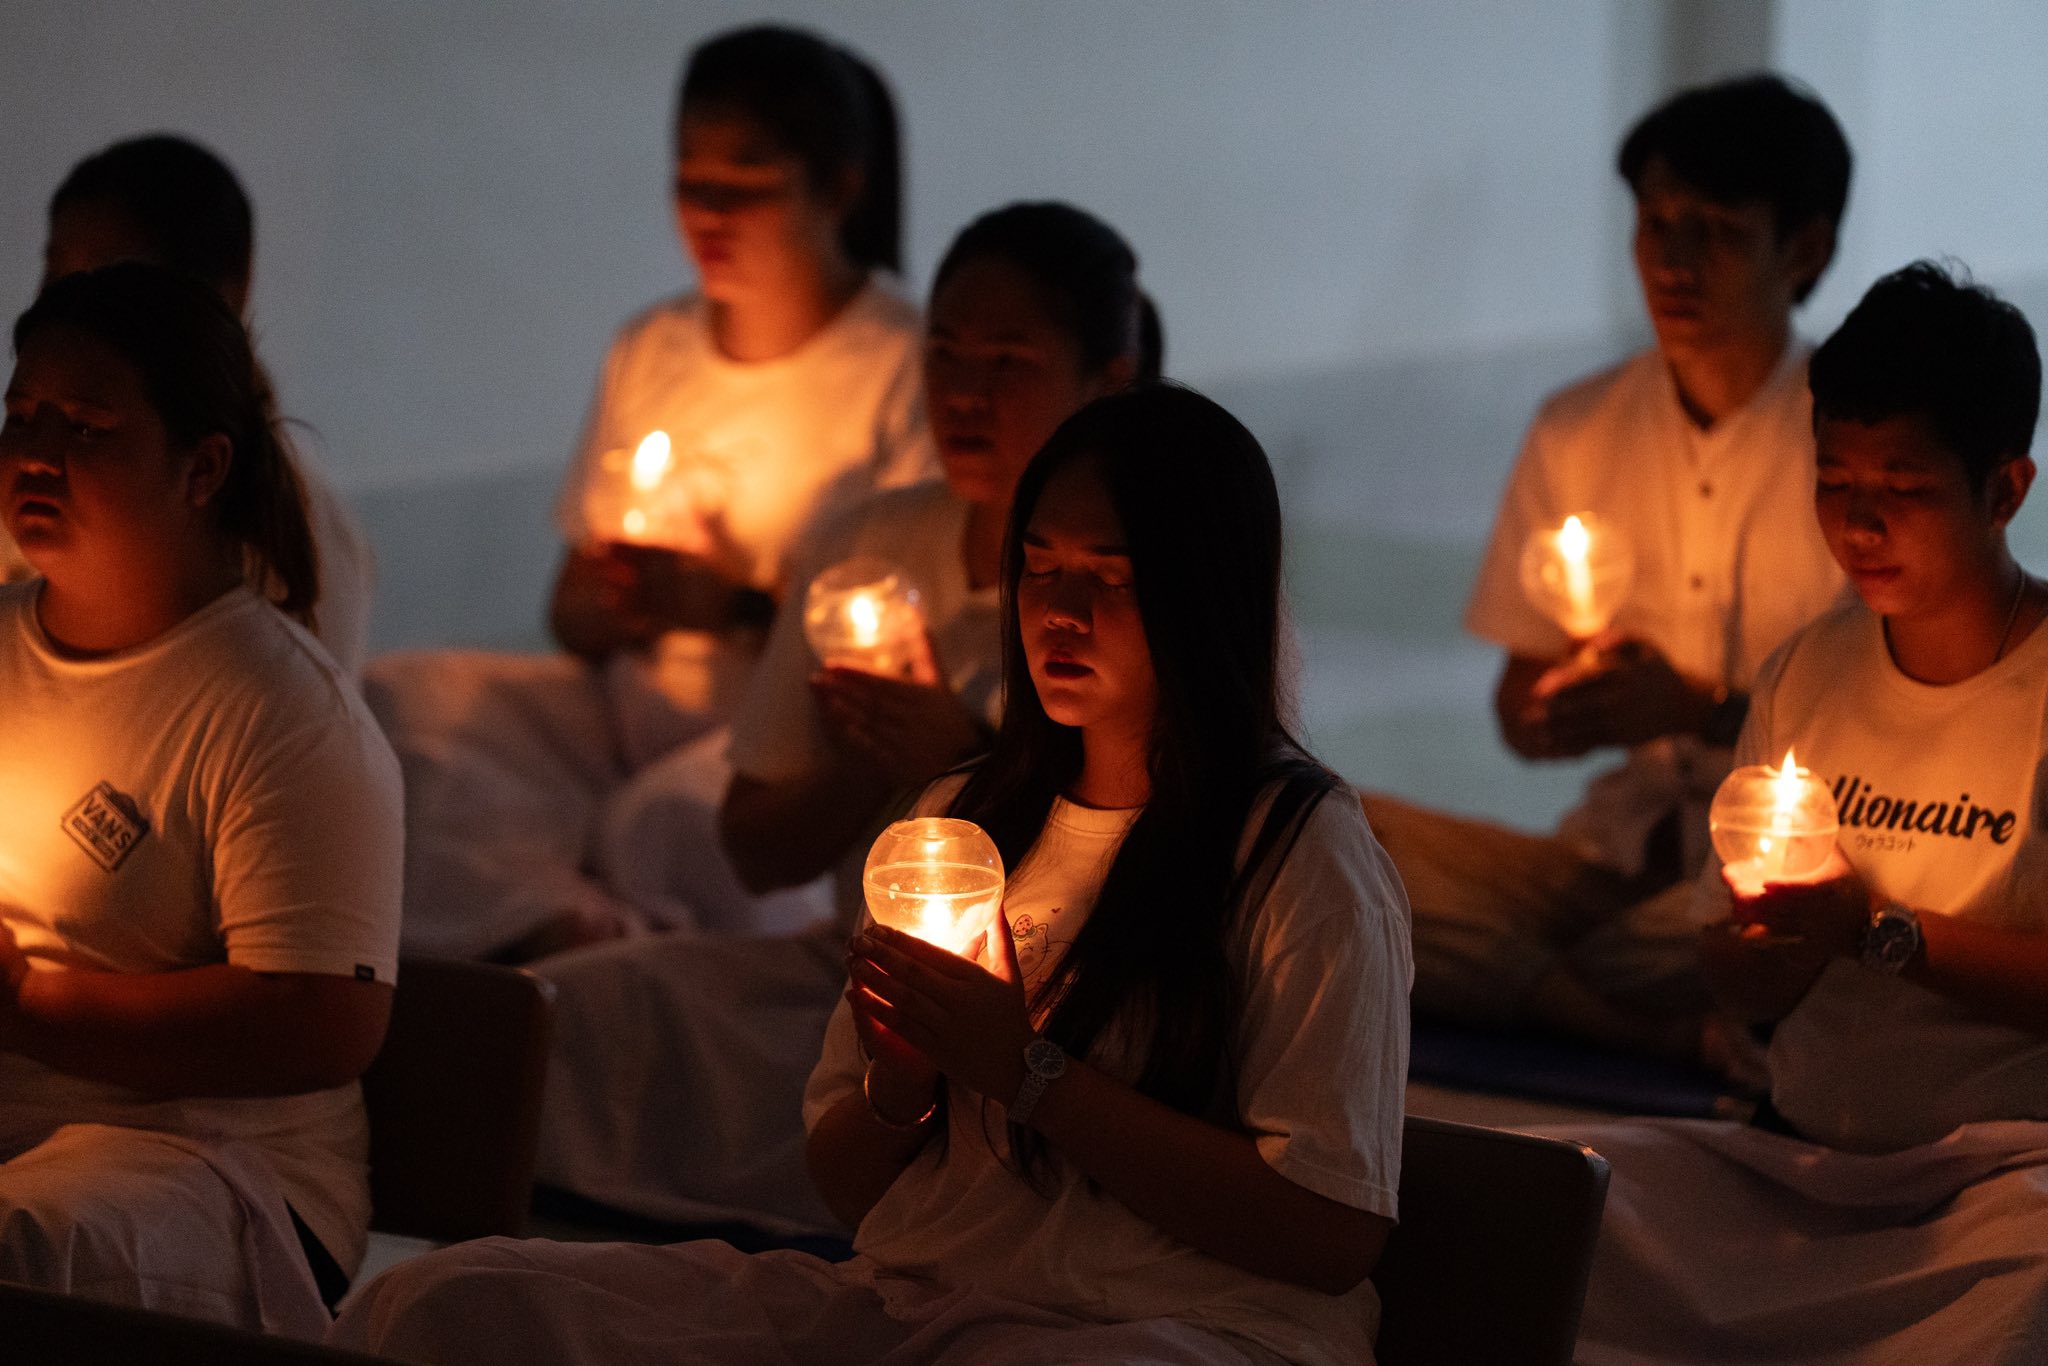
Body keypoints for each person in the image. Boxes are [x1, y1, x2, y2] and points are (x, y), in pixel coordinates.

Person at [331, 384, 1412, 1366]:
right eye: (1037, 567)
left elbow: (1330, 1229)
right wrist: (900, 1084)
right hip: (914, 1307)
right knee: (442, 1303)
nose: (1060, 611)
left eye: (1112, 578)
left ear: (1207, 596)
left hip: (1170, 1332)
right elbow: (855, 1195)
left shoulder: (1292, 851)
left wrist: (1028, 1073)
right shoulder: (961, 819)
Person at [533, 202, 1158, 1235]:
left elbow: (1158, 857)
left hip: (1069, 1022)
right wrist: (868, 764)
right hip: (849, 979)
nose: (964, 395)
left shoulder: (1145, 581)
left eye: (1008, 361)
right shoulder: (867, 543)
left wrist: (963, 760)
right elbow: (752, 847)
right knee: (572, 1012)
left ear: (1107, 381)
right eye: (945, 355)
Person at [1555, 262, 2048, 1365]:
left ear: (2004, 488)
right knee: (1546, 1213)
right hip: (1797, 1159)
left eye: (1904, 488)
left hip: (1999, 1181)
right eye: (1832, 481)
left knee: (2024, 1295)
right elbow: (1731, 971)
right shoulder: (1807, 673)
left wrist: (1876, 929)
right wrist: (1765, 944)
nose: (1859, 522)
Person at [367, 23, 935, 963]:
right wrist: (612, 599)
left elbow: (908, 638)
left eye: (745, 183)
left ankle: (599, 942)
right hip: (622, 712)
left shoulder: (899, 364)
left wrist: (733, 604)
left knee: (663, 827)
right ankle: (571, 926)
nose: (708, 211)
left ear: (839, 184)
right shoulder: (651, 347)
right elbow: (569, 612)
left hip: (770, 753)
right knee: (406, 709)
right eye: (688, 180)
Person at [1361, 73, 1852, 1055]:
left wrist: (1696, 709)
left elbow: (1873, 744)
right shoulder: (1578, 426)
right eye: (1654, 221)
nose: (1671, 259)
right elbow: (1515, 706)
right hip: (1609, 855)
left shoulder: (1848, 446)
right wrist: (1554, 712)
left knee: (1760, 939)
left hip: (1763, 875)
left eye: (1713, 227)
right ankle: (1654, 1025)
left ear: (1802, 249)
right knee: (1343, 838)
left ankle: (1558, 995)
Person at [0, 263, 403, 1336]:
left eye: (88, 425)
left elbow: (325, 1016)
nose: (37, 452)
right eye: (21, 414)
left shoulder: (279, 708)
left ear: (202, 467)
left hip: (211, 1164)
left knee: (27, 1235)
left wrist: (32, 1005)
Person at [20, 132, 379, 679]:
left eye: (114, 290)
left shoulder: (299, 552)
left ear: (222, 299)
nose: (67, 314)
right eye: (55, 276)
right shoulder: (28, 469)